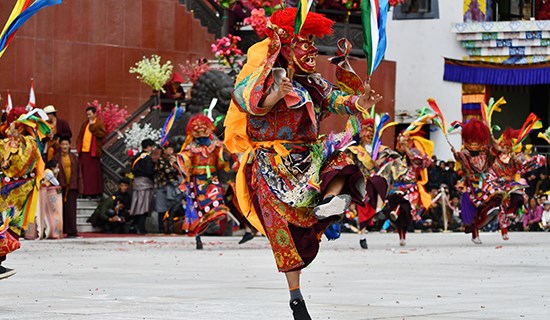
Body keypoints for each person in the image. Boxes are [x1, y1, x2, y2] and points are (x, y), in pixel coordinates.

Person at [226, 8, 381, 319]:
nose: (311, 48)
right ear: (284, 43)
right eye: (304, 40)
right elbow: (248, 102)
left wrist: (359, 103)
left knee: (344, 160)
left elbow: (335, 99)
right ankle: (296, 298)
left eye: (313, 41)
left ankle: (328, 202)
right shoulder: (260, 75)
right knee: (284, 235)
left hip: (308, 158)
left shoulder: (311, 81)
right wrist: (273, 96)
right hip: (272, 166)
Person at [0, 108, 48, 279]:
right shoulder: (9, 143)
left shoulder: (26, 144)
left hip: (13, 197)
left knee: (6, 230)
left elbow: (17, 166)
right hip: (8, 197)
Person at [175, 115, 235, 249]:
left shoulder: (215, 146)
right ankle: (199, 235)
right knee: (199, 209)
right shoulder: (190, 148)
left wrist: (225, 154)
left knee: (217, 201)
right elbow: (185, 158)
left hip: (212, 179)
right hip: (197, 181)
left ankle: (214, 222)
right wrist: (179, 159)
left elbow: (221, 162)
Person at [452, 118, 502, 244]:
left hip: (486, 181)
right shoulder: (465, 153)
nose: (474, 143)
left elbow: (495, 155)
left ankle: (490, 211)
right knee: (475, 211)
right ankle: (475, 233)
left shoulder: (485, 151)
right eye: (471, 139)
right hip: (472, 185)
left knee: (498, 195)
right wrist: (455, 153)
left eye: (477, 139)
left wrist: (496, 145)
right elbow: (460, 159)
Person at [76, 106, 106, 198]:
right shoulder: (85, 123)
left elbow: (102, 134)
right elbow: (80, 135)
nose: (88, 116)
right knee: (84, 174)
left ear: (95, 114)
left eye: (90, 114)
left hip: (93, 153)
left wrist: (93, 126)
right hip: (84, 151)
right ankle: (84, 192)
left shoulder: (99, 123)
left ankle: (93, 193)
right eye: (87, 114)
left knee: (92, 174)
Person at [54, 137, 81, 238]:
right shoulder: (57, 157)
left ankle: (72, 231)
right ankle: (60, 230)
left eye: (66, 144)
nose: (64, 146)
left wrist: (79, 186)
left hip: (72, 186)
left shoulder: (73, 157)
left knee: (71, 210)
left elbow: (79, 172)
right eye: (63, 144)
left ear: (69, 146)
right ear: (60, 146)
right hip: (60, 187)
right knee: (60, 210)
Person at [128, 139, 156, 234]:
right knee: (144, 206)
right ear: (148, 146)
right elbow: (149, 171)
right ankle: (141, 227)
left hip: (136, 182)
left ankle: (135, 226)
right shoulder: (147, 158)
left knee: (137, 205)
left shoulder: (137, 156)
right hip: (145, 183)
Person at [154, 144, 182, 233]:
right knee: (161, 209)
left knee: (172, 208)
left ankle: (170, 229)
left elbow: (180, 170)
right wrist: (172, 166)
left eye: (172, 149)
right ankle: (161, 229)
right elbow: (167, 171)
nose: (170, 152)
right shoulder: (160, 160)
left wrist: (174, 163)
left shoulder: (173, 159)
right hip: (163, 186)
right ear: (164, 150)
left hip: (173, 187)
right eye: (169, 149)